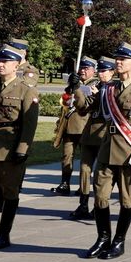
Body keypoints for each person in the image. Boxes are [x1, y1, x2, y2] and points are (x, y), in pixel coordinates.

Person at [73, 42, 131, 259]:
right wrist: (76, 89)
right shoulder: (107, 88)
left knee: (127, 200)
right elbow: (84, 108)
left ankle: (119, 241)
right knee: (100, 197)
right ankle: (103, 238)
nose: (118, 62)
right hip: (106, 150)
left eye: (123, 59)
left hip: (129, 154)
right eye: (117, 58)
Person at [0, 45, 39, 249]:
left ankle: (3, 234)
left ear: (16, 65)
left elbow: (29, 124)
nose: (0, 64)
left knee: (10, 192)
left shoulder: (26, 90)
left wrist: (23, 148)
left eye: (5, 62)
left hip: (9, 148)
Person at [68, 57, 116, 220]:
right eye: (100, 71)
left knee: (101, 174)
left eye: (104, 71)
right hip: (90, 134)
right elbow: (83, 108)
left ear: (112, 72)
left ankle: (99, 205)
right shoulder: (95, 87)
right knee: (84, 170)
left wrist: (101, 96)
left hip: (104, 135)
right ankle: (83, 203)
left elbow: (112, 110)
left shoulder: (115, 88)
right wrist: (76, 89)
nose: (101, 74)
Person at [51, 57, 100, 195]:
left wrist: (77, 88)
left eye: (86, 68)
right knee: (66, 156)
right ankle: (65, 183)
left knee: (85, 160)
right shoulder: (74, 83)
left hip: (83, 126)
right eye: (82, 68)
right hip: (69, 125)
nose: (83, 71)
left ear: (93, 71)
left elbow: (87, 104)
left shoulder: (95, 84)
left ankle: (82, 186)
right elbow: (65, 102)